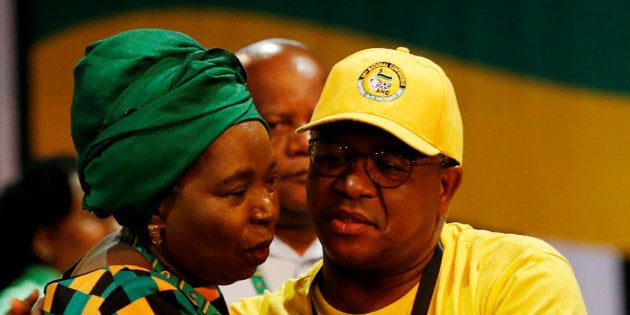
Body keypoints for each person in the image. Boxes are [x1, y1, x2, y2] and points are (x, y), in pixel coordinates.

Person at [230, 47, 588, 314]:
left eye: (388, 165)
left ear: (445, 188)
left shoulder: (513, 279)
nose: (352, 185)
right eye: (334, 157)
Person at [30, 28, 279, 314]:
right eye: (237, 191)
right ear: (159, 205)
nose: (266, 209)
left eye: (271, 181)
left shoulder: (143, 259)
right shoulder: (131, 302)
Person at [220, 38, 327, 304]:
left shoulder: (379, 260)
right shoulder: (203, 267)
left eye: (317, 122)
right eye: (278, 124)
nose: (303, 143)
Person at [0, 155, 119, 314]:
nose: (117, 228)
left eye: (116, 214)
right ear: (46, 239)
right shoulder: (22, 303)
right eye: (97, 215)